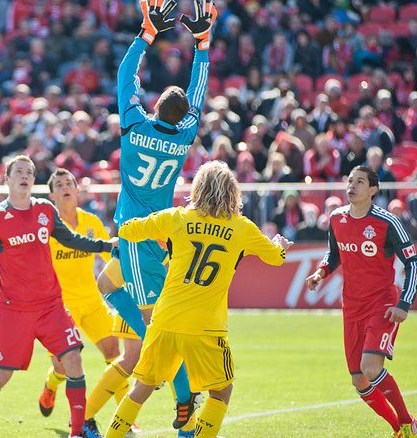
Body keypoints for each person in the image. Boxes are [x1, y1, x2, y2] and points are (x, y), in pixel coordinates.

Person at [104, 161, 293, 438]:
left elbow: (129, 229)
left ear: (198, 189)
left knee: (141, 387)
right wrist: (281, 246)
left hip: (165, 319)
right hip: (206, 327)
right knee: (220, 391)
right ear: (232, 193)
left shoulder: (177, 218)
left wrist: (154, 233)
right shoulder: (242, 228)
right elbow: (276, 258)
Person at [96, 0, 217, 432]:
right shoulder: (186, 134)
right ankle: (177, 385)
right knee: (105, 284)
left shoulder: (134, 124)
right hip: (160, 232)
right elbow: (199, 91)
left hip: (136, 236)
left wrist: (147, 34)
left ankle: (184, 398)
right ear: (184, 115)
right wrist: (202, 45)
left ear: (153, 106)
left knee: (155, 327)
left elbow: (125, 77)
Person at [0, 155, 116, 438]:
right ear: (7, 179)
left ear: (33, 180)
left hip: (51, 306)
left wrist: (106, 245)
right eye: (18, 171)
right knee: (0, 378)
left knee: (73, 361)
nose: (24, 176)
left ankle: (77, 431)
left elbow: (71, 238)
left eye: (29, 172)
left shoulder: (45, 210)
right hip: (14, 310)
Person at [305, 166, 417, 438]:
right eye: (349, 180)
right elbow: (334, 254)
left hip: (382, 305)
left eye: (360, 181)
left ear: (373, 190)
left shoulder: (387, 223)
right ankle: (400, 429)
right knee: (359, 380)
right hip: (352, 308)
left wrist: (403, 304)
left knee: (371, 369)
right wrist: (321, 271)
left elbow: (412, 263)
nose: (352, 185)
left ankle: (407, 421)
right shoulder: (336, 218)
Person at [38, 168, 142, 437]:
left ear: (77, 190)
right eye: (58, 184)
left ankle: (125, 418)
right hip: (62, 306)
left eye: (68, 183)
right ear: (51, 195)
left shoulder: (91, 221)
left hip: (93, 301)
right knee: (63, 366)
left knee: (115, 355)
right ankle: (51, 383)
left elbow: (110, 257)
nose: (64, 187)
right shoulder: (47, 228)